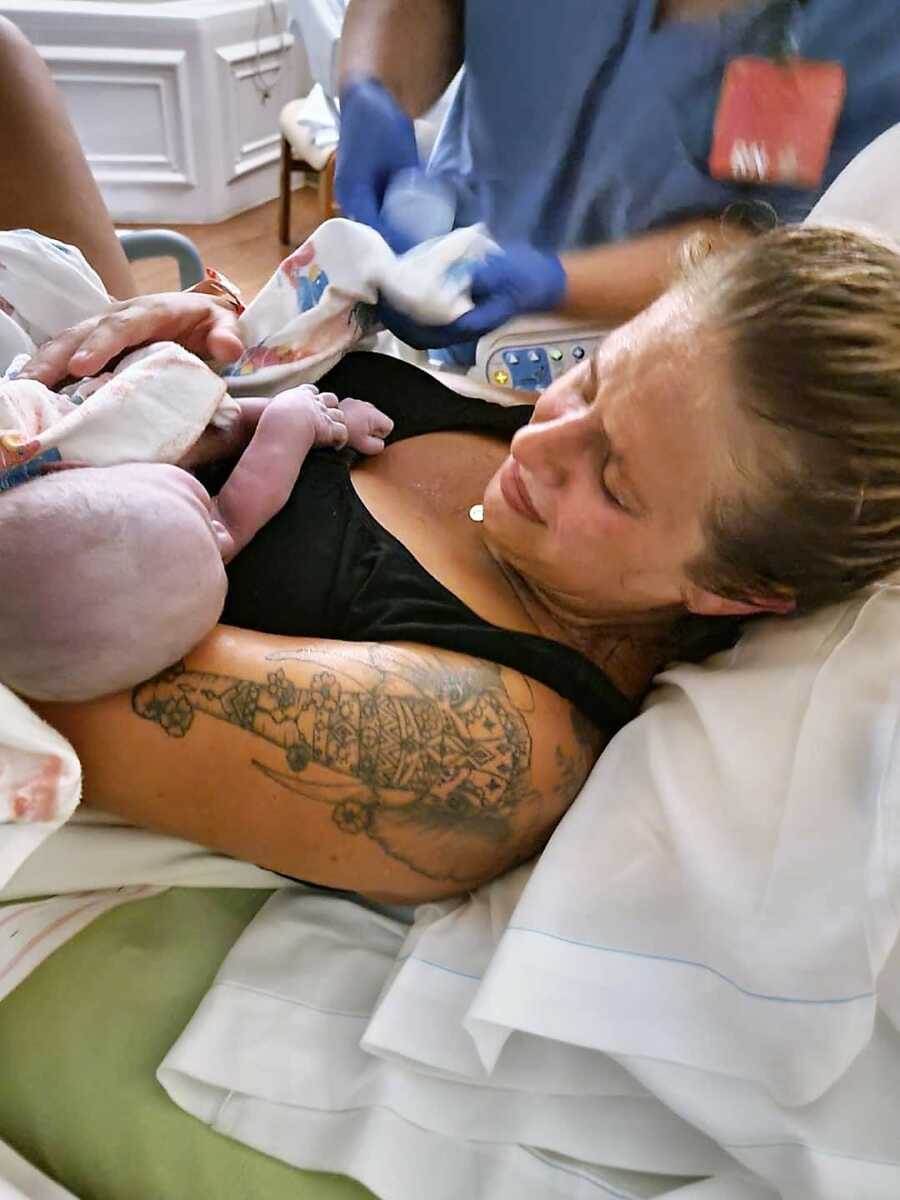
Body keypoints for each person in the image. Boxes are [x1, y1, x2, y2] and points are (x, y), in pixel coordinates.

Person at [17, 219, 900, 904]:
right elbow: (280, 364)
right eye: (591, 380)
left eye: (616, 484)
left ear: (731, 590)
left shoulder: (479, 750)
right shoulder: (554, 425)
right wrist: (207, 339)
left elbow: (40, 664)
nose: (544, 441)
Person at [334, 0, 900, 349]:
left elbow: (777, 243)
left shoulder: (867, 24)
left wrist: (555, 283)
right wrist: (373, 91)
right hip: (444, 249)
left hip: (638, 355)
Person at [0, 335, 393, 702]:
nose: (223, 535)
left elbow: (221, 425)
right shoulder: (187, 551)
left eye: (200, 510)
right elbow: (246, 462)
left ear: (71, 468)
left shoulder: (74, 443)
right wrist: (305, 421)